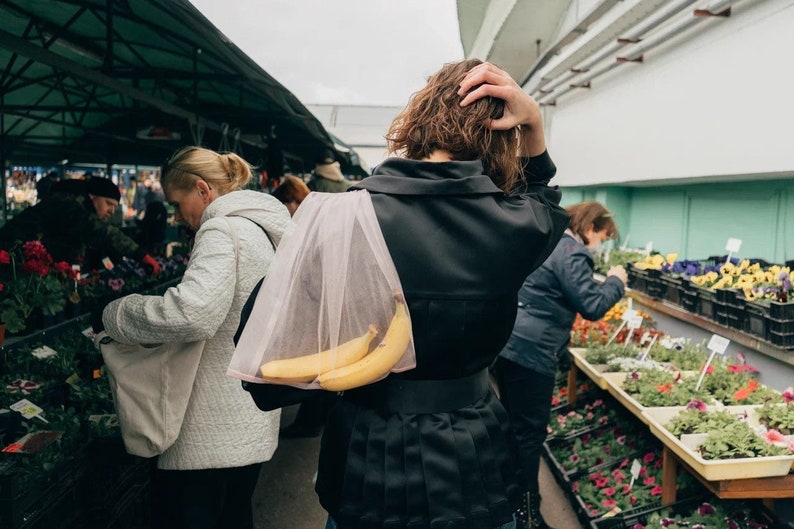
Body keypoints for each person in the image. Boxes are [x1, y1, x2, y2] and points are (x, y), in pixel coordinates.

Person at [242, 59, 570, 529]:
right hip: (472, 464)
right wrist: (534, 123)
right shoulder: (515, 224)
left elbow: (262, 348)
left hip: (365, 461)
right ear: (501, 137)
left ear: (417, 122)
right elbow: (543, 194)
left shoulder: (342, 216)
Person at [99, 146, 291, 529]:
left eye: (176, 202)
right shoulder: (261, 230)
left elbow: (194, 313)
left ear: (203, 189)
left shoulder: (221, 228)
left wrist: (116, 313)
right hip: (248, 410)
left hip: (212, 423)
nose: (175, 215)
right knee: (235, 514)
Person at [494, 200, 628, 528]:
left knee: (511, 428)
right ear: (588, 227)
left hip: (510, 345)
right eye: (602, 237)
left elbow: (544, 296)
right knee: (529, 434)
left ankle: (509, 502)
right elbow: (592, 305)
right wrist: (615, 281)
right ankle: (528, 514)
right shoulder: (572, 252)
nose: (599, 245)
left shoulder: (546, 243)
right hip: (533, 354)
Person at [0, 177, 161, 275]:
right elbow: (100, 230)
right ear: (92, 196)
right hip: (10, 259)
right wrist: (140, 254)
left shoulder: (74, 205)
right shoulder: (67, 204)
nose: (112, 211)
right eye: (108, 203)